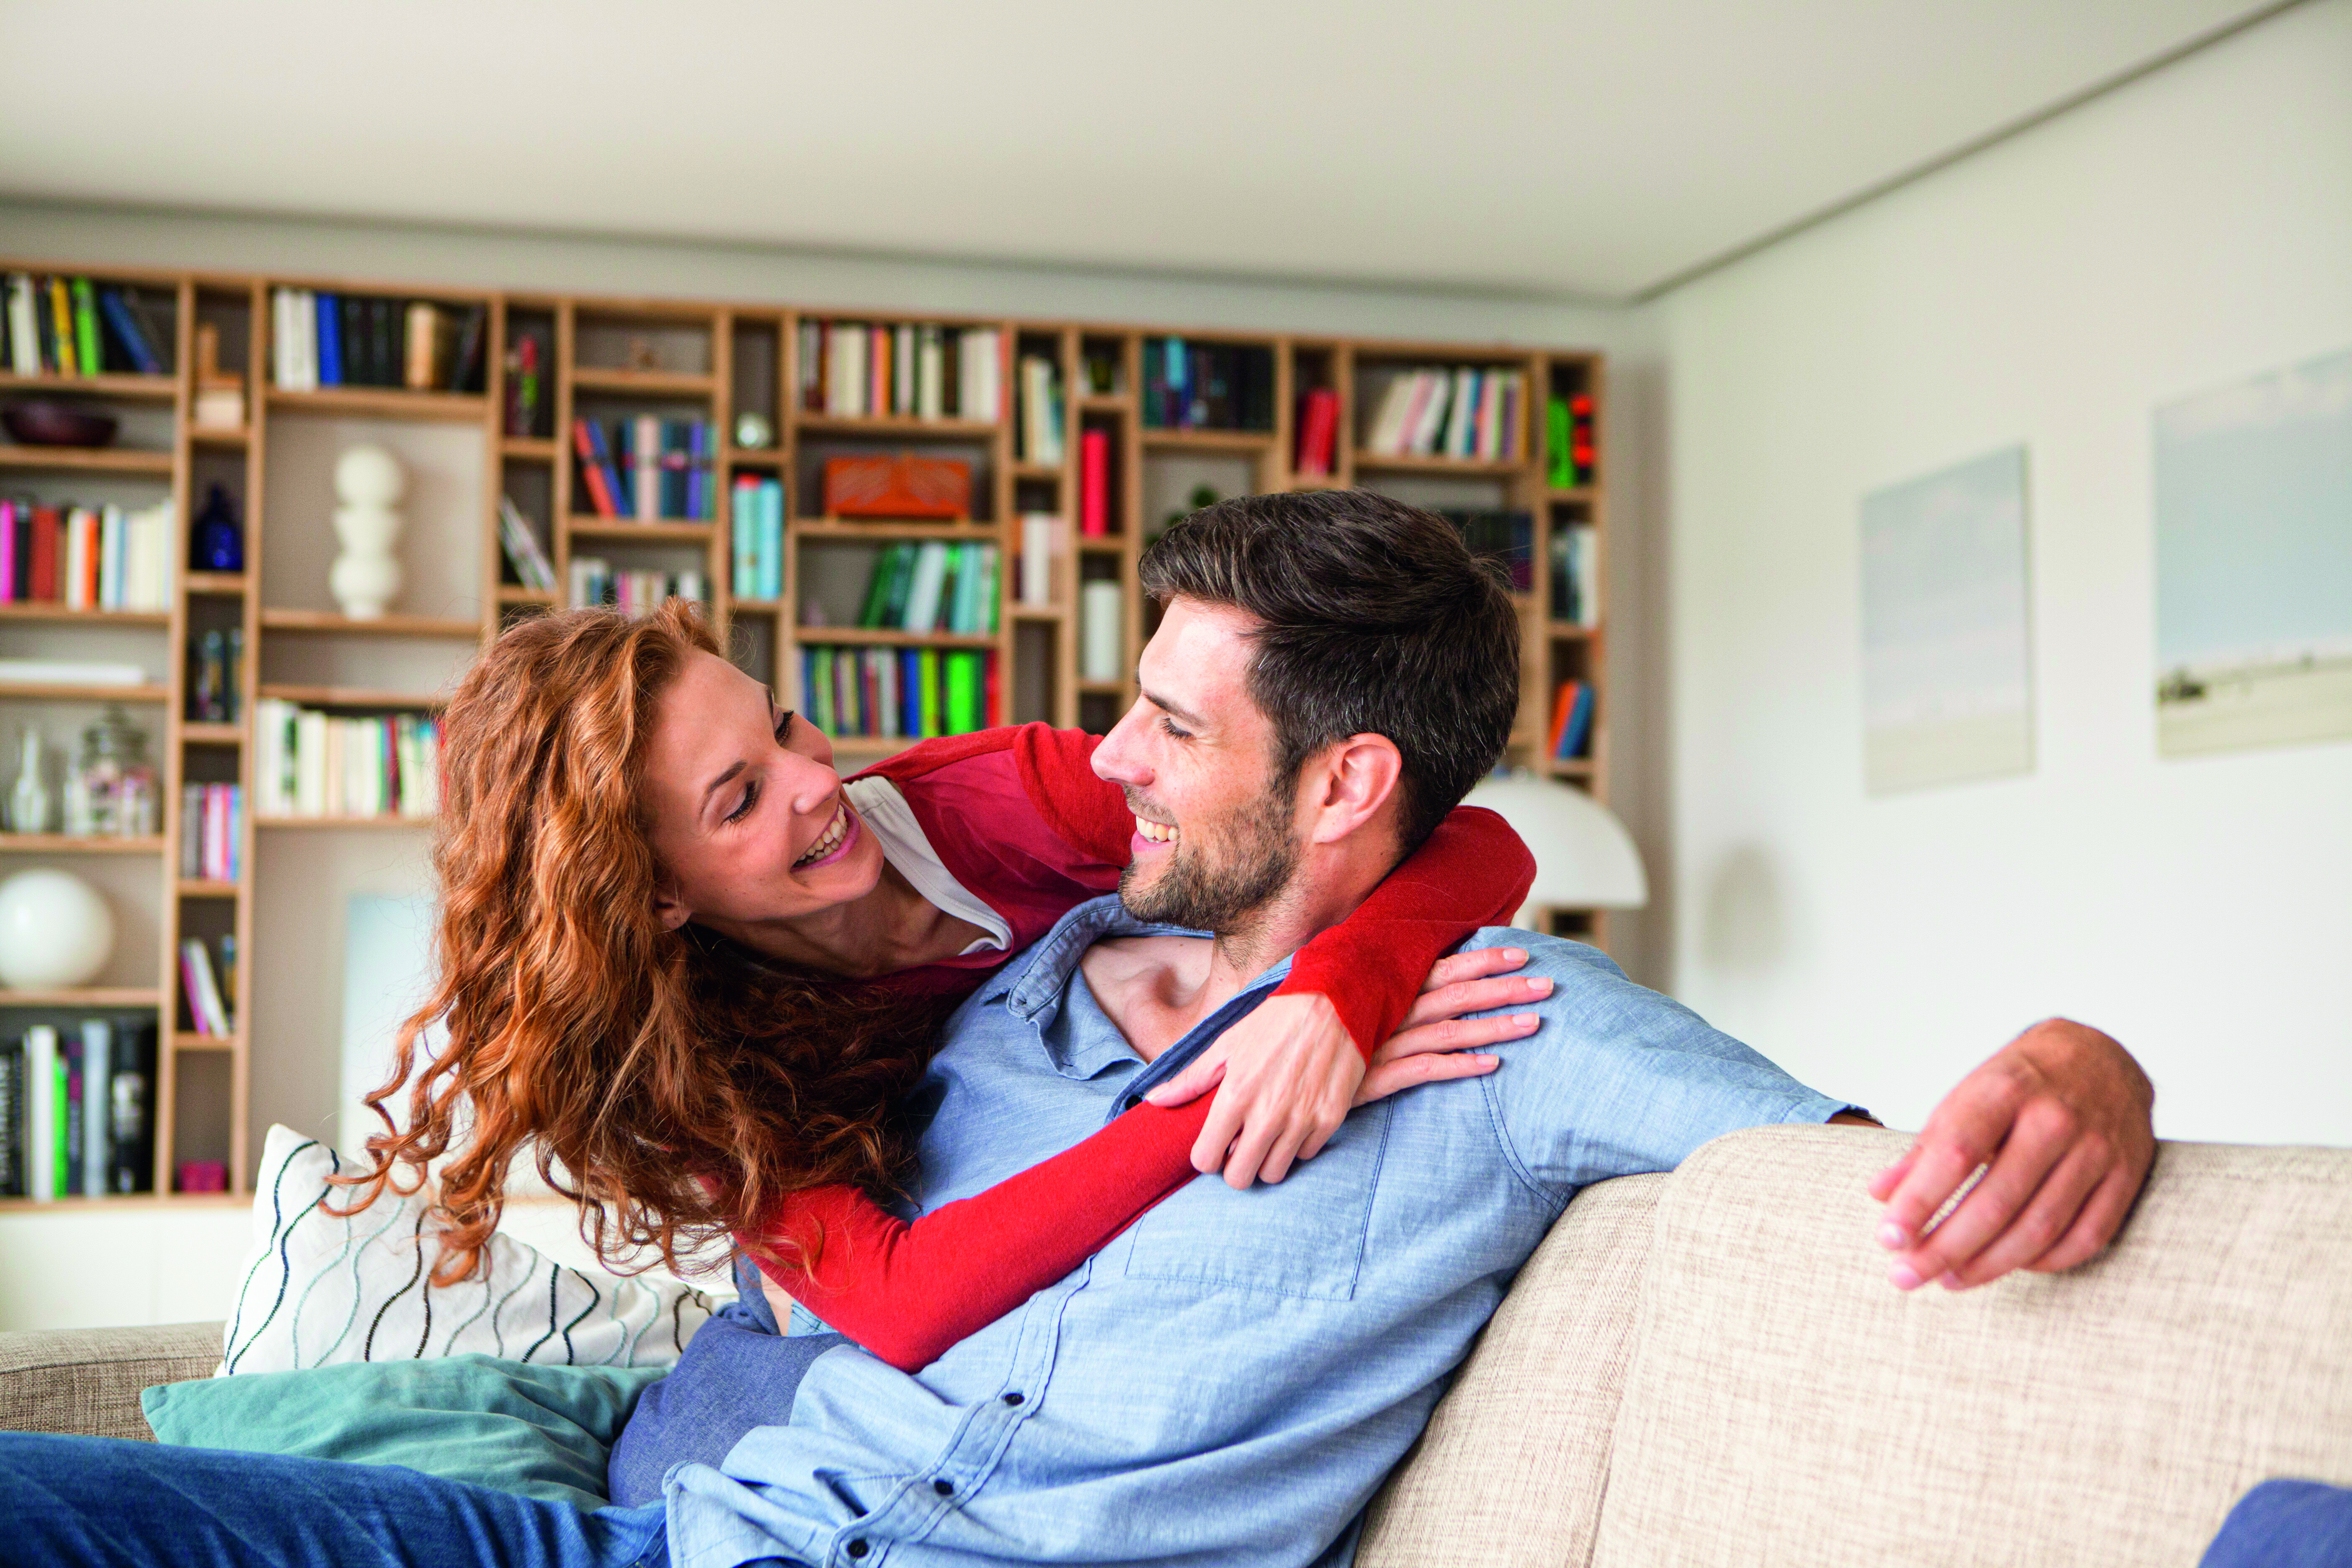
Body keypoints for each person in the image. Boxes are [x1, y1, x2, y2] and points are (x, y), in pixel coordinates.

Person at [0, 490, 2156, 1568]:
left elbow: (1840, 1178)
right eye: (738, 806)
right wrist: (1279, 1019)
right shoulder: (948, 1003)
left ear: (1335, 791)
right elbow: (912, 1295)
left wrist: (2084, 1061)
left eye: (1160, 718)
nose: (1094, 755)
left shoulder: (1513, 1032)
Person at [336, 596, 1543, 1371]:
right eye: (741, 798)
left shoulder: (1004, 800)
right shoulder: (687, 1067)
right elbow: (902, 1306)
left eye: (785, 727)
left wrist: (1333, 998)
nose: (817, 781)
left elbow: (1474, 842)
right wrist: (1227, 1090)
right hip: (870, 1329)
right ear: (656, 896)